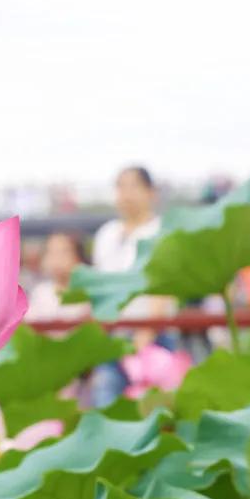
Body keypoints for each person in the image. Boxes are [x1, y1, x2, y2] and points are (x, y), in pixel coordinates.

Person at [88, 166, 172, 406]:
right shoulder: (106, 234)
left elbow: (163, 286)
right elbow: (98, 288)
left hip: (153, 334)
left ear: (151, 192)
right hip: (112, 334)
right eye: (121, 187)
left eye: (133, 186)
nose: (126, 194)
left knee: (153, 411)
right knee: (105, 405)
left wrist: (146, 333)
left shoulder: (162, 232)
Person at [25, 232, 91, 324]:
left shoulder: (90, 293)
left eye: (63, 252)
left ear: (78, 257)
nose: (57, 258)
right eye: (51, 252)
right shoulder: (40, 293)